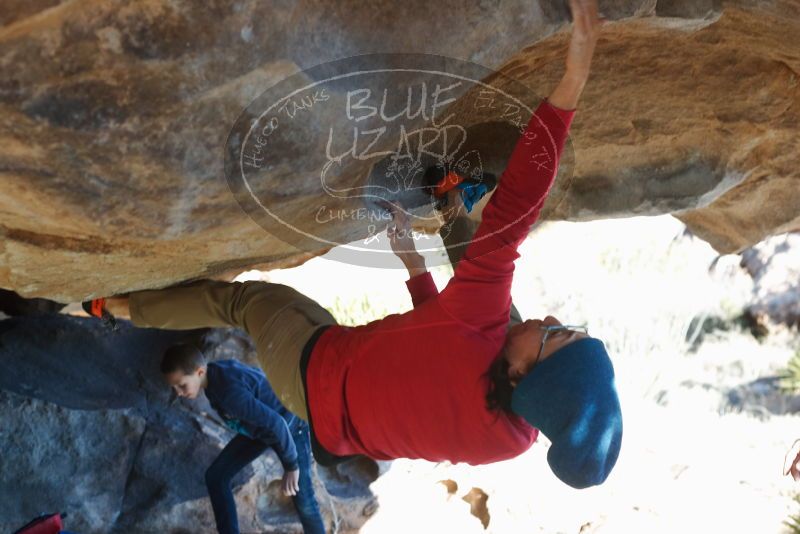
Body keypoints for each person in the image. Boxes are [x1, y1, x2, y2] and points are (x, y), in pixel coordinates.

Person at [87, 0, 622, 490]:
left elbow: (514, 214)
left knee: (242, 302)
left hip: (313, 368)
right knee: (501, 313)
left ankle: (109, 304)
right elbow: (440, 359)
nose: (550, 319)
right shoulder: (516, 438)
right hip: (340, 416)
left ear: (521, 374)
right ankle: (450, 198)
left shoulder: (481, 328)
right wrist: (415, 267)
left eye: (556, 335)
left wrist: (574, 77)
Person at [160, 343, 325, 534]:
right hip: (261, 432)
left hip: (291, 426)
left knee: (303, 499)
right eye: (175, 388)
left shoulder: (228, 392)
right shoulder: (214, 375)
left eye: (182, 385)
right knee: (216, 477)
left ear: (199, 372)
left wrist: (291, 465)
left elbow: (277, 423)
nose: (179, 393)